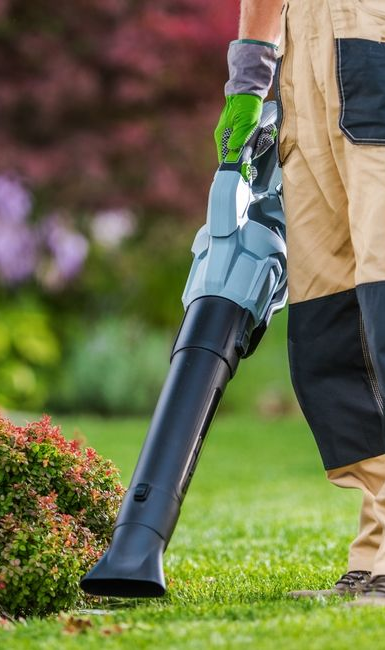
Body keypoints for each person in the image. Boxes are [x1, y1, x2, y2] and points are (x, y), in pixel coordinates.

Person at [216, 0, 385, 603]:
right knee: (329, 324)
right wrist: (250, 78)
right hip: (302, 58)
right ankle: (377, 548)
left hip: (372, 33)